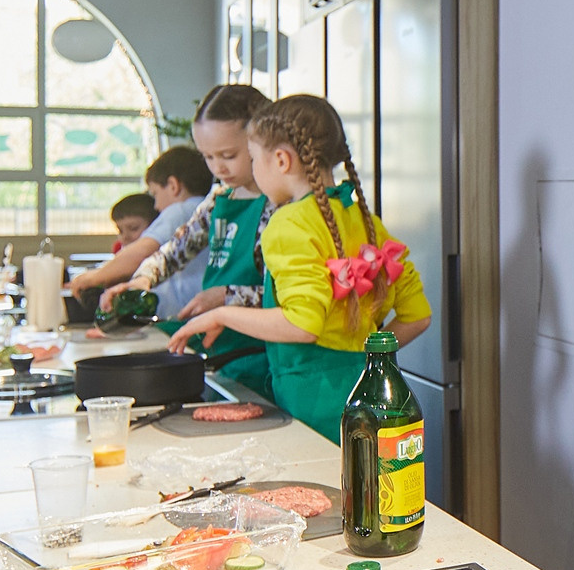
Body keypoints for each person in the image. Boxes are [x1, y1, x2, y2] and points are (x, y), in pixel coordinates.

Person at [167, 93, 429, 440]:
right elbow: (417, 316)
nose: (255, 172)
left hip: (314, 405)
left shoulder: (289, 223)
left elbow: (302, 324)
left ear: (281, 160)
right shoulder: (365, 221)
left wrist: (220, 315)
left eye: (254, 159)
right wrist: (367, 358)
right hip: (368, 395)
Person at [116, 87, 270, 387]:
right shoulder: (220, 198)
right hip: (219, 351)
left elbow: (289, 297)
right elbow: (174, 250)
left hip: (261, 355)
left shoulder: (280, 204)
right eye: (208, 157)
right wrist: (142, 280)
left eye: (228, 155)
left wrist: (226, 296)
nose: (218, 168)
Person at [72, 145, 214, 323]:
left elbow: (143, 251)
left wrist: (94, 277)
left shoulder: (181, 210)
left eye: (155, 194)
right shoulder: (208, 208)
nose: (155, 205)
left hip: (186, 316)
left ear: (173, 186)